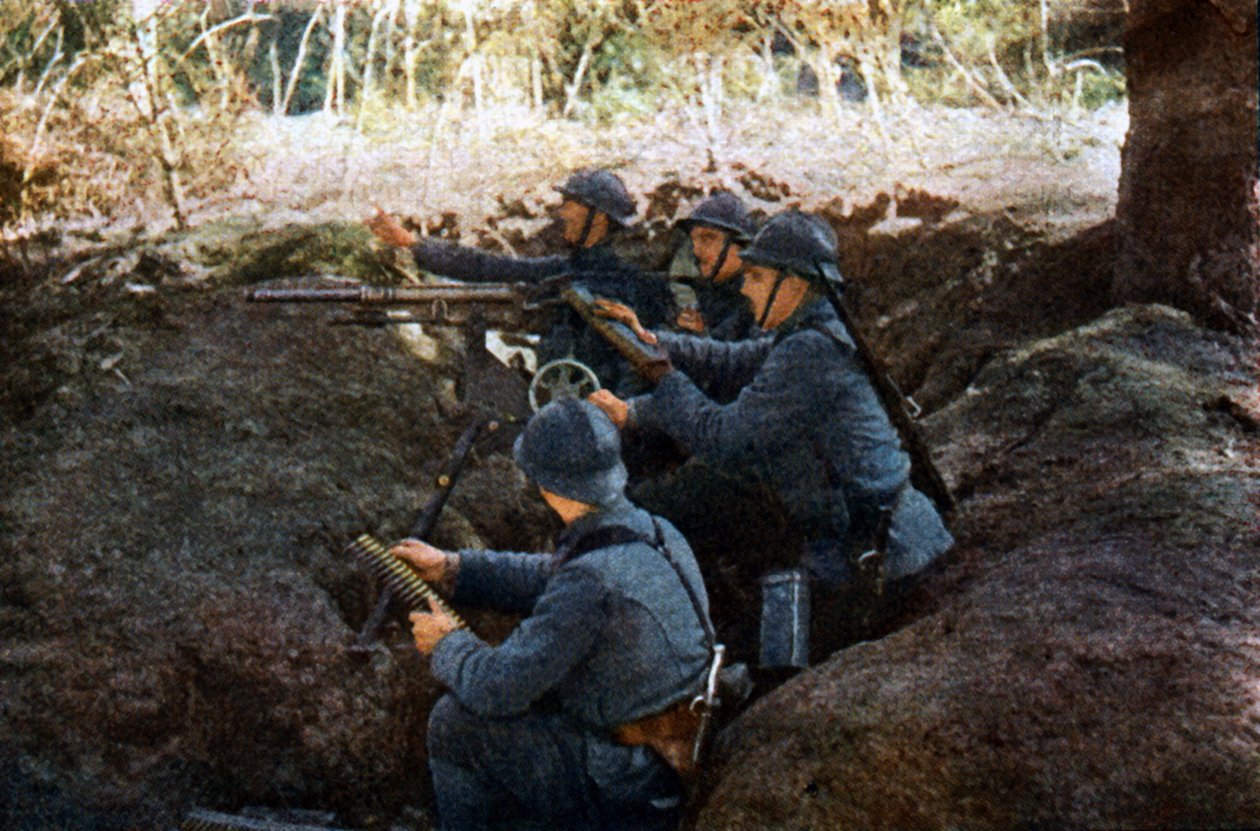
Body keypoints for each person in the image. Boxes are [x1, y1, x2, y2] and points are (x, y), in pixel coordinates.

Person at [588, 210, 953, 667]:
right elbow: (732, 359)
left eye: (757, 276)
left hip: (877, 559)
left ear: (795, 284)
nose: (745, 286)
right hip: (866, 536)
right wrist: (651, 339)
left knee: (752, 666)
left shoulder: (810, 350)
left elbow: (723, 437)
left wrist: (662, 377)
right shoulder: (808, 332)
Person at [392, 398, 714, 831]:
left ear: (543, 484)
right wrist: (454, 568)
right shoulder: (656, 530)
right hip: (669, 755)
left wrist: (448, 645)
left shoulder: (590, 581)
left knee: (454, 725)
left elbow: (497, 688)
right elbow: (555, 575)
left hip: (629, 788)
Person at [368, 169, 673, 394]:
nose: (561, 211)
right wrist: (413, 245)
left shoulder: (629, 283)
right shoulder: (572, 268)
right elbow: (491, 267)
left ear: (599, 217)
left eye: (570, 203)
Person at [673, 190, 758, 342]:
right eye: (694, 240)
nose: (697, 251)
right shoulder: (705, 296)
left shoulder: (758, 305)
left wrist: (700, 336)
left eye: (708, 239)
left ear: (741, 247)